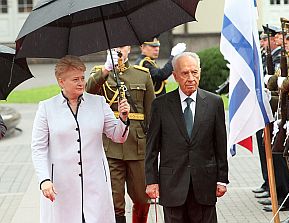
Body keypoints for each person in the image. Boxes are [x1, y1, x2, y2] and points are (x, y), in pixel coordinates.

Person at [31, 55, 130, 223]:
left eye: (83, 78)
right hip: (61, 184)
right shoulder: (46, 108)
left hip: (95, 181)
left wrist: (123, 118)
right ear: (61, 82)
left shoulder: (98, 103)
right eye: (75, 79)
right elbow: (38, 148)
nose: (81, 83)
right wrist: (44, 180)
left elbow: (118, 136)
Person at [145, 52, 229, 223]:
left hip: (204, 184)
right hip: (172, 185)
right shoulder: (160, 105)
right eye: (185, 73)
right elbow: (152, 148)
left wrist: (222, 179)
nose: (191, 78)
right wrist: (151, 181)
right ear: (175, 76)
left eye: (194, 72)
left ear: (200, 72)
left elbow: (220, 144)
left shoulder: (214, 103)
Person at [86, 46, 155, 223]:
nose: (119, 51)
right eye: (115, 47)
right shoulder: (100, 73)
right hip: (111, 146)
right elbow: (88, 92)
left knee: (142, 197)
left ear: (129, 49)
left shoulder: (142, 74)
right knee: (114, 200)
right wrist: (107, 69)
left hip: (137, 145)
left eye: (122, 46)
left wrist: (153, 146)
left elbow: (151, 113)